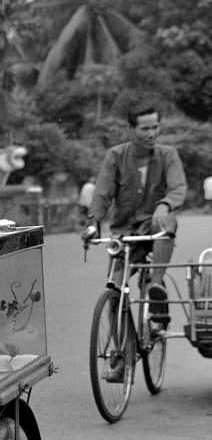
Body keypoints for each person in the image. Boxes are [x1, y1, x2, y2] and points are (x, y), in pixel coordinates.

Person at [81, 105, 187, 339]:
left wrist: (165, 204)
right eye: (145, 128)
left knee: (166, 221)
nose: (152, 133)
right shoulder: (116, 156)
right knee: (114, 291)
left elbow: (178, 187)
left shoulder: (168, 155)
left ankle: (155, 287)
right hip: (125, 232)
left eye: (155, 127)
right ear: (131, 129)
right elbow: (102, 193)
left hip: (154, 228)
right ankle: (121, 353)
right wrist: (92, 223)